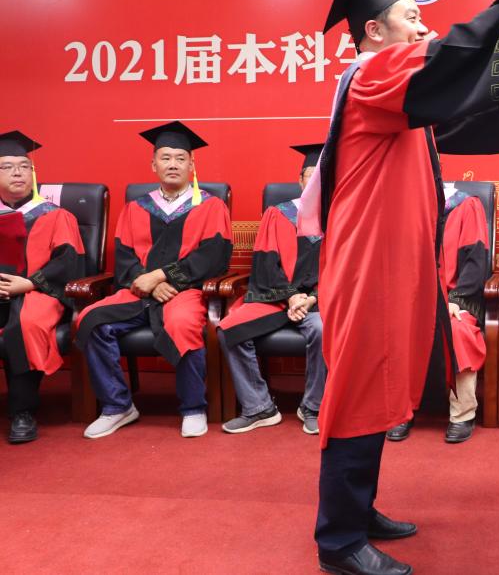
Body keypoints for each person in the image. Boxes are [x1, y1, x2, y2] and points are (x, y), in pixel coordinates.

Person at [302, 0, 499, 575]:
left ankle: (359, 510)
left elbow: (458, 111)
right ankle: (338, 540)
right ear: (373, 31)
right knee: (358, 389)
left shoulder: (393, 94)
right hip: (367, 265)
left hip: (391, 262)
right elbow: (457, 54)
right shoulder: (372, 74)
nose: (424, 28)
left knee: (381, 382)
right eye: (411, 17)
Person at [76, 122, 232, 439]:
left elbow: (213, 257)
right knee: (90, 319)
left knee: (182, 324)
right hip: (139, 290)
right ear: (154, 164)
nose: (173, 164)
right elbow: (124, 258)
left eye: (180, 158)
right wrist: (148, 283)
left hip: (185, 291)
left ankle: (193, 408)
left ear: (192, 164)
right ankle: (118, 406)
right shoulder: (135, 208)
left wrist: (162, 276)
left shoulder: (211, 206)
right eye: (165, 158)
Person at [219, 144, 325, 435]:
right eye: (311, 174)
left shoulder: (342, 217)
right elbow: (266, 265)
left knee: (323, 330)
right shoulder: (278, 214)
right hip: (276, 297)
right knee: (229, 328)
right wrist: (291, 296)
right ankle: (259, 407)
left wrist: (312, 298)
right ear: (300, 180)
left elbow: (344, 271)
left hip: (320, 301)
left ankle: (313, 406)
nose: (317, 181)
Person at [0, 131, 84, 443]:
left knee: (27, 323)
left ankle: (22, 411)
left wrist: (30, 283)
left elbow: (69, 263)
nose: (18, 172)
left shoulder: (56, 215)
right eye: (7, 167)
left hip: (38, 292)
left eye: (25, 166)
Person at [389, 184, 490, 444]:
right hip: (414, 299)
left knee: (457, 330)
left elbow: (476, 260)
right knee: (397, 329)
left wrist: (455, 300)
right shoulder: (406, 208)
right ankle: (401, 410)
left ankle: (463, 413)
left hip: (457, 298)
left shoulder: (466, 206)